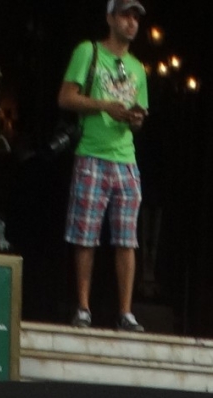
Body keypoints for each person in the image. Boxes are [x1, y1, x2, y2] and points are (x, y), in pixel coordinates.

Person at [58, 0, 150, 331]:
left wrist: (135, 118)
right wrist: (104, 106)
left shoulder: (138, 68)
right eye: (125, 15)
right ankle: (83, 307)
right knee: (85, 234)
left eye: (136, 17)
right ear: (110, 18)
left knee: (128, 239)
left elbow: (139, 116)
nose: (131, 22)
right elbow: (66, 97)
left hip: (126, 159)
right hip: (92, 155)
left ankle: (126, 313)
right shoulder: (89, 51)